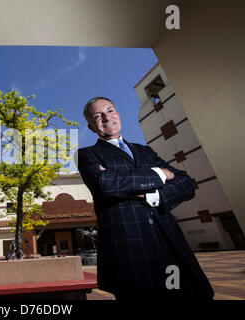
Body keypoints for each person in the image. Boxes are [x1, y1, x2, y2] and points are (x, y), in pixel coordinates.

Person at [77, 96, 214, 300]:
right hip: (130, 248)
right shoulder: (87, 154)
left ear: (118, 114)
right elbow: (106, 184)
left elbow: (185, 183)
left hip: (170, 242)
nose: (107, 118)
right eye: (98, 116)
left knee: (183, 293)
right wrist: (160, 174)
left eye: (110, 110)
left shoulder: (145, 151)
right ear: (90, 126)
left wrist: (156, 195)